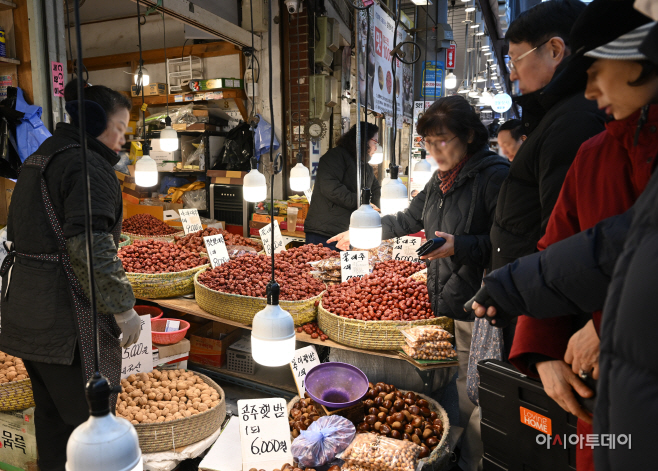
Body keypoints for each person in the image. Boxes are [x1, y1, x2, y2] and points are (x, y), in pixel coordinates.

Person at [468, 6, 658, 469]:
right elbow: (559, 246)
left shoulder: (575, 125)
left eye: (598, 72)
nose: (593, 90)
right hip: (601, 391)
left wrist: (603, 324)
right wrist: (540, 347)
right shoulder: (594, 152)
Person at [330, 96, 509, 471]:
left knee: (482, 393)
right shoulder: (440, 181)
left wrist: (460, 246)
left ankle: (473, 462)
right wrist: (366, 232)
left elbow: (505, 244)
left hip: (481, 303)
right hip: (446, 300)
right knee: (458, 386)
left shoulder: (494, 176)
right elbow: (411, 216)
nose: (433, 150)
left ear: (469, 136)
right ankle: (455, 451)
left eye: (441, 140)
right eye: (427, 142)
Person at [0, 80, 141, 470]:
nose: (123, 140)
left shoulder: (42, 155)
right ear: (96, 123)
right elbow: (90, 247)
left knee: (51, 419)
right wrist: (122, 309)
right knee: (91, 428)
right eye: (121, 129)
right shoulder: (85, 165)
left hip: (27, 312)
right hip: (64, 322)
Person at [469, 0, 606, 393]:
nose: (511, 75)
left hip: (551, 320)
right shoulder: (557, 117)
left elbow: (568, 239)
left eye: (515, 60)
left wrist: (544, 338)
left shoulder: (574, 121)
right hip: (532, 305)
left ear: (556, 50)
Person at [304, 122, 381, 250]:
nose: (376, 147)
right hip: (324, 232)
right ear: (363, 140)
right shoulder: (335, 157)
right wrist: (363, 203)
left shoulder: (366, 167)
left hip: (350, 232)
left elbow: (375, 191)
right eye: (375, 142)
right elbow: (331, 188)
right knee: (319, 267)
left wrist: (374, 212)